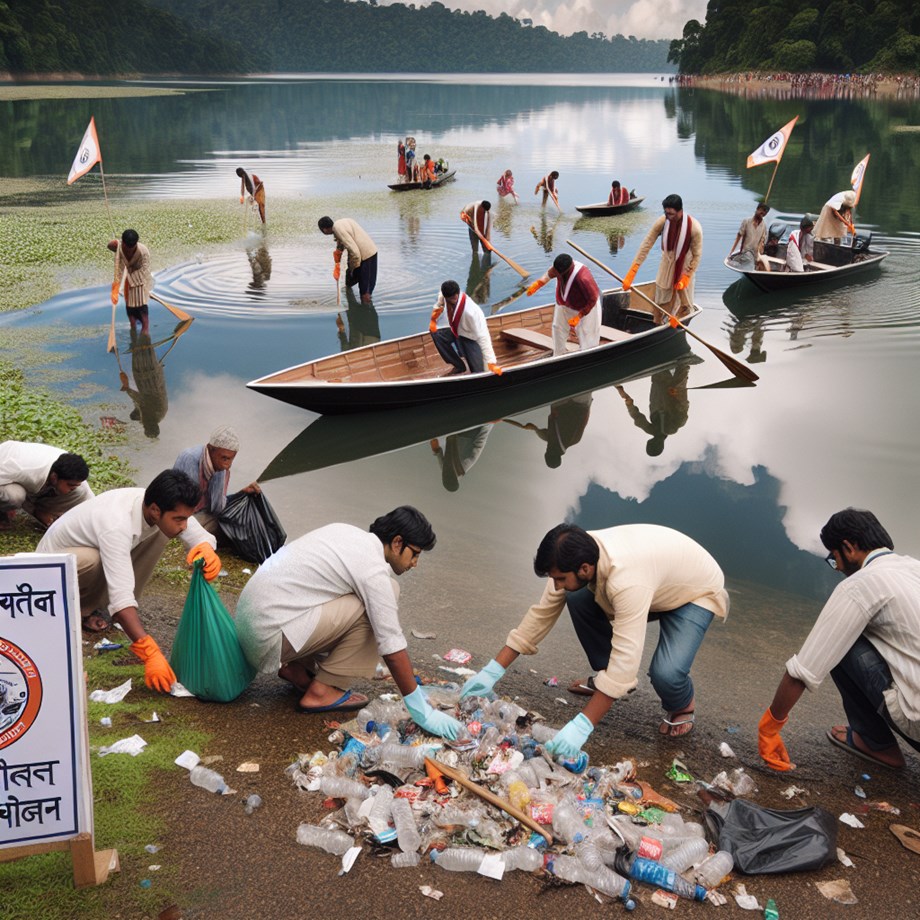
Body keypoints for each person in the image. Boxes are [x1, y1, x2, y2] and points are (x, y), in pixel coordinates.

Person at [459, 523, 729, 758]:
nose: (555, 585)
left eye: (560, 578)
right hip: (656, 577)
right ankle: (603, 679)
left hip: (694, 590)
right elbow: (540, 616)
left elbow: (627, 660)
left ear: (585, 569)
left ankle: (682, 704)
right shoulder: (574, 553)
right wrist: (491, 672)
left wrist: (582, 725)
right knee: (573, 595)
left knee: (666, 674)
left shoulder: (627, 581)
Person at [234, 506, 463, 739]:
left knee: (344, 594)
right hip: (269, 638)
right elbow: (391, 644)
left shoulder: (345, 532)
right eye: (414, 554)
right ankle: (322, 691)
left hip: (250, 628)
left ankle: (298, 669)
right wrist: (421, 710)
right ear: (397, 543)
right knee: (383, 598)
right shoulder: (372, 568)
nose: (415, 563)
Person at [758, 509, 920, 772]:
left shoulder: (860, 584)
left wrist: (769, 727)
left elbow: (805, 669)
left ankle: (876, 743)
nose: (838, 569)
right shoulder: (914, 567)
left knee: (842, 641)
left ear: (848, 547)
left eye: (834, 560)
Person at [36, 469, 219, 685]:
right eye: (179, 519)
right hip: (49, 570)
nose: (184, 525)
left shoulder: (154, 502)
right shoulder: (116, 525)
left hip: (89, 553)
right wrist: (149, 651)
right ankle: (80, 610)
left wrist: (206, 548)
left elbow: (198, 535)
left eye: (186, 518)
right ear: (155, 509)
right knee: (93, 561)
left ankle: (102, 608)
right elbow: (121, 598)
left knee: (162, 533)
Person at [623, 194, 703, 325]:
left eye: (672, 214)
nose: (669, 217)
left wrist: (686, 277)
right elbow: (646, 244)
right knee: (660, 298)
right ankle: (659, 322)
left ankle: (677, 320)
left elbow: (697, 255)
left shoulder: (694, 228)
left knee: (682, 302)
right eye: (666, 213)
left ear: (680, 211)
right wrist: (633, 270)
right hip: (666, 263)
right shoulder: (663, 221)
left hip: (684, 267)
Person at [173, 425, 260, 538]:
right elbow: (186, 505)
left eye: (231, 459)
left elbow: (217, 507)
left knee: (239, 525)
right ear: (210, 448)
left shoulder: (220, 469)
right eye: (224, 458)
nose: (228, 465)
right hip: (181, 515)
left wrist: (241, 493)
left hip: (200, 514)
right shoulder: (189, 458)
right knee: (224, 530)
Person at [0, 441, 93, 530]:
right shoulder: (24, 470)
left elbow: (93, 506)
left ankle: (40, 511)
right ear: (54, 477)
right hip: (4, 464)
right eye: (70, 485)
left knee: (78, 493)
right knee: (14, 496)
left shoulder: (76, 483)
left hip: (33, 478)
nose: (73, 488)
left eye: (76, 485)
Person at [525, 253, 601, 357]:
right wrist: (538, 284)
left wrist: (580, 316)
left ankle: (587, 356)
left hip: (584, 308)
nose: (555, 274)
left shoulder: (583, 277)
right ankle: (558, 356)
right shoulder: (558, 269)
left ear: (567, 270)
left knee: (586, 335)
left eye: (558, 273)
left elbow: (593, 298)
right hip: (564, 304)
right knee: (557, 328)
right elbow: (549, 274)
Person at [615, 362, 691, 457]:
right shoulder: (673, 428)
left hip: (659, 391)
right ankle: (683, 363)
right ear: (660, 445)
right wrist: (675, 398)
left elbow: (637, 418)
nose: (654, 442)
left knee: (660, 376)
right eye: (655, 445)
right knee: (677, 379)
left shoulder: (651, 429)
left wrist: (629, 404)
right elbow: (683, 409)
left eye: (652, 444)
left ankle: (662, 360)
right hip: (671, 394)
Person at [428, 279, 501, 376]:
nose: (453, 300)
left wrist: (491, 362)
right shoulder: (444, 295)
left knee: (478, 373)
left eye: (454, 297)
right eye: (449, 299)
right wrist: (433, 319)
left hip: (470, 338)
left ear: (458, 293)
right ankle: (458, 366)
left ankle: (471, 356)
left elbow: (483, 337)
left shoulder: (471, 313)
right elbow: (440, 303)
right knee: (436, 333)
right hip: (457, 330)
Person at [319, 216, 378, 304]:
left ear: (324, 229)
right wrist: (338, 252)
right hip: (361, 255)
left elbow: (355, 252)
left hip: (367, 255)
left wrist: (352, 269)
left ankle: (365, 310)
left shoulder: (338, 229)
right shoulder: (339, 224)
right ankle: (351, 310)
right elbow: (343, 239)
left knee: (365, 292)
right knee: (348, 281)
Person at [108, 229, 153, 335]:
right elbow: (110, 246)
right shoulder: (120, 247)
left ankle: (145, 332)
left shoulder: (143, 252)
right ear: (123, 243)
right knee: (130, 311)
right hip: (129, 281)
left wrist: (138, 286)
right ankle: (133, 325)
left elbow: (144, 273)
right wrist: (116, 287)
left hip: (140, 281)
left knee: (142, 307)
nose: (128, 252)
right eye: (126, 249)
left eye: (131, 249)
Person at [430, 425, 494, 491]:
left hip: (455, 433)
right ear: (455, 478)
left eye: (444, 476)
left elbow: (437, 452)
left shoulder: (445, 470)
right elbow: (480, 444)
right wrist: (489, 424)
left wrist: (435, 448)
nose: (446, 474)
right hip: (471, 431)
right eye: (448, 476)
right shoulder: (467, 463)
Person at [728, 202, 770, 270]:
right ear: (757, 209)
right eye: (761, 212)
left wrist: (760, 256)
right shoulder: (747, 221)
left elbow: (762, 243)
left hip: (755, 254)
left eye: (765, 214)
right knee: (747, 261)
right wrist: (732, 251)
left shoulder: (764, 226)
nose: (762, 215)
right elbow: (739, 236)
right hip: (745, 252)